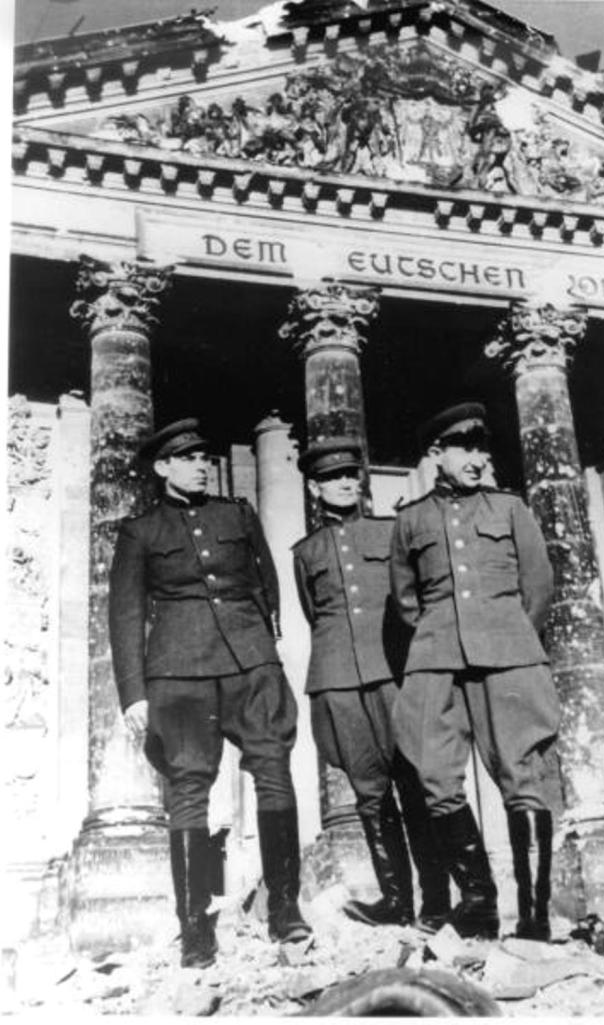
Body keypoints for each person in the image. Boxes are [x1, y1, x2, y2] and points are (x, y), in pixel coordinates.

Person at [108, 418, 311, 968]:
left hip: (249, 663)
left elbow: (264, 581)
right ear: (163, 467)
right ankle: (195, 928)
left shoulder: (236, 514)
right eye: (188, 458)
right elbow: (125, 614)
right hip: (178, 673)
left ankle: (285, 909)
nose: (201, 465)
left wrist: (265, 646)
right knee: (188, 788)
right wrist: (133, 693)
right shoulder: (140, 531)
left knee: (274, 768)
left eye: (204, 456)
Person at [389, 402, 562, 941]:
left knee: (522, 774)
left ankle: (533, 917)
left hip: (508, 653)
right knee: (436, 774)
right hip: (437, 657)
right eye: (465, 448)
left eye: (482, 449)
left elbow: (538, 587)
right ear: (435, 453)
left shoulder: (510, 508)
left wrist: (507, 634)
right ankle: (480, 903)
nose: (478, 459)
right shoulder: (410, 520)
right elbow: (406, 601)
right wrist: (443, 635)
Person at [293, 437, 451, 932]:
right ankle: (396, 901)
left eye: (350, 474)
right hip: (339, 680)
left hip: (393, 672)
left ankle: (437, 901)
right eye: (332, 477)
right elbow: (315, 613)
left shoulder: (390, 531)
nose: (344, 483)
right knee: (369, 793)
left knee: (414, 781)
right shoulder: (306, 552)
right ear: (315, 488)